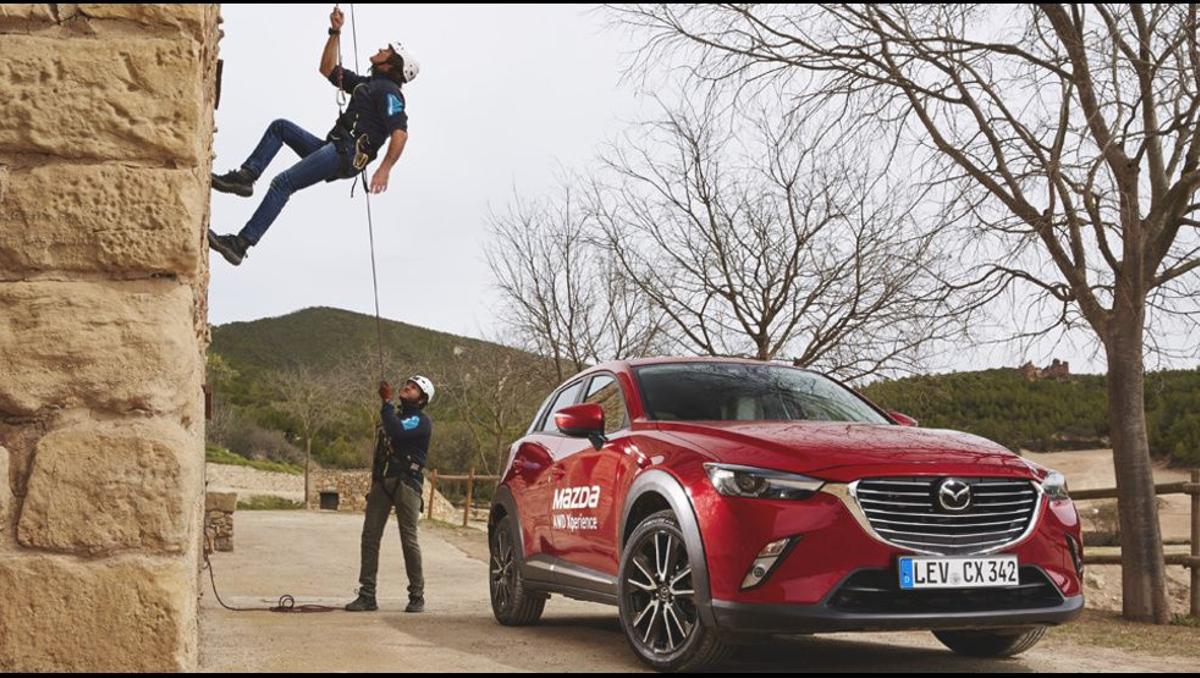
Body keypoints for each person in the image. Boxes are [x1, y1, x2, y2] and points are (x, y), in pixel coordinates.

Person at [207, 6, 418, 265]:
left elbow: (400, 134)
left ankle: (240, 244)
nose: (380, 50)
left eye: (387, 51)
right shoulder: (368, 84)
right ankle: (246, 178)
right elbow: (327, 69)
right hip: (334, 147)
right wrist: (335, 31)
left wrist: (384, 169)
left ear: (392, 65)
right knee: (280, 127)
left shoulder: (389, 92)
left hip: (346, 153)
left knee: (283, 183)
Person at [345, 375, 435, 613]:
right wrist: (374, 483)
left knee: (408, 539)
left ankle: (417, 596)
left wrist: (385, 403)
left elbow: (397, 433)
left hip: (408, 483)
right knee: (370, 536)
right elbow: (380, 453)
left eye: (414, 387)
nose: (407, 387)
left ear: (422, 399)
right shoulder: (393, 417)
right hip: (385, 482)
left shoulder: (420, 421)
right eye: (407, 384)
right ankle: (367, 595)